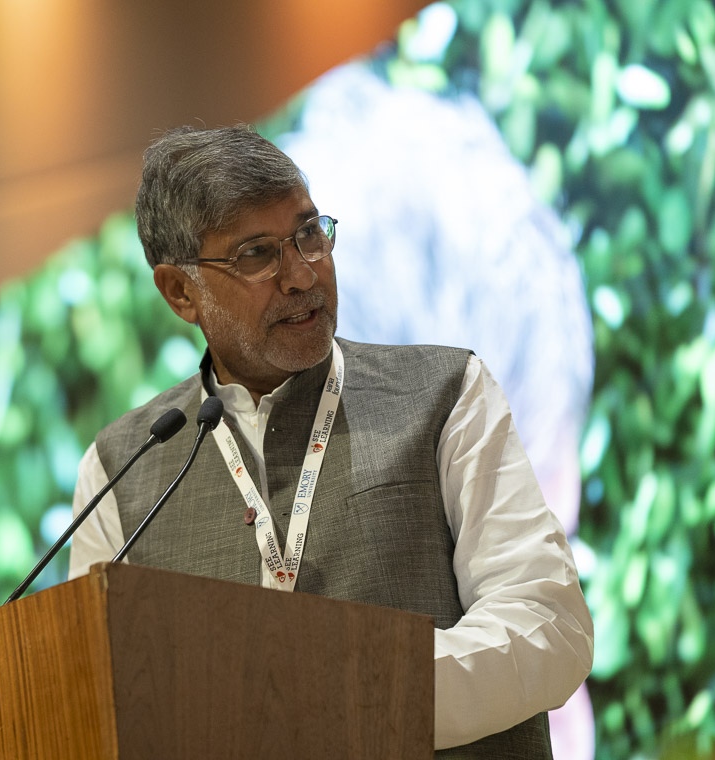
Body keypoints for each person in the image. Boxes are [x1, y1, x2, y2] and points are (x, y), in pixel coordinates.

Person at [67, 124, 593, 756]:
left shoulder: (447, 392)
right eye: (257, 254)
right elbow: (93, 705)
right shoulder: (121, 469)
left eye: (309, 233)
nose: (301, 273)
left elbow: (548, 626)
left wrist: (345, 693)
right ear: (180, 291)